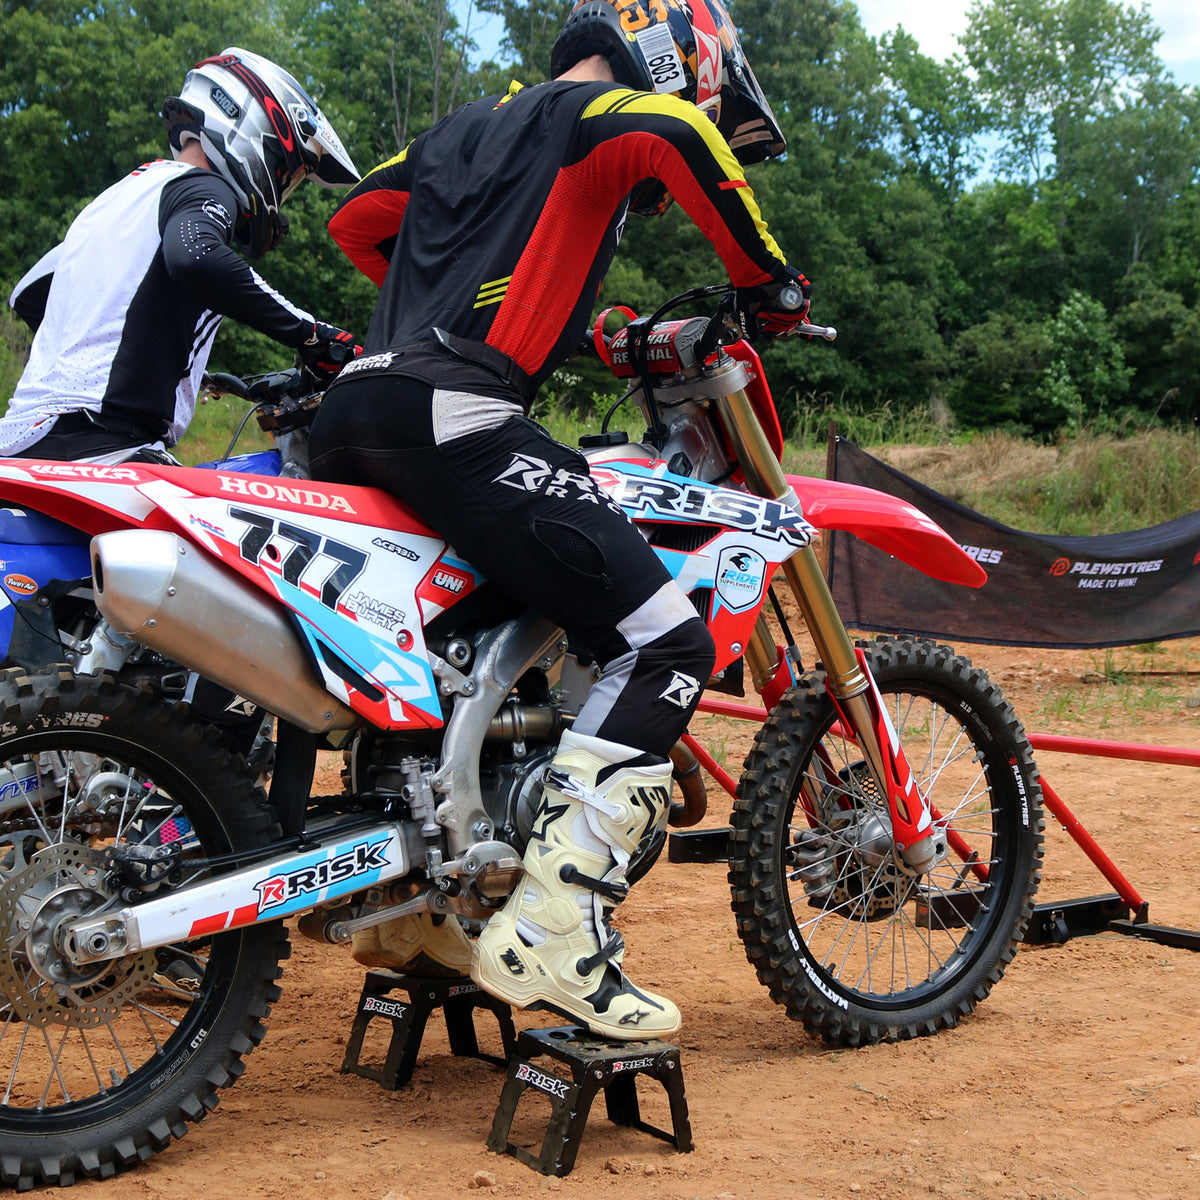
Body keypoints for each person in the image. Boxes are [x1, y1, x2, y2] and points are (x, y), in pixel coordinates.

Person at [308, 0, 811, 1041]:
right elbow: (683, 137)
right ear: (683, 57)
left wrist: (495, 318)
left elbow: (352, 222)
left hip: (359, 402)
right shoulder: (602, 114)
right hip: (458, 410)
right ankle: (556, 930)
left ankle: (420, 912)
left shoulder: (458, 132)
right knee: (661, 639)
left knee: (477, 647)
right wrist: (773, 289)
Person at [1, 48, 360, 465]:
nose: (280, 193)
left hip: (22, 441)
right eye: (285, 173)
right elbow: (195, 256)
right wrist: (313, 335)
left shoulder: (120, 196)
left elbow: (30, 293)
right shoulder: (204, 187)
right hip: (105, 442)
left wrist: (161, 355)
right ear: (255, 131)